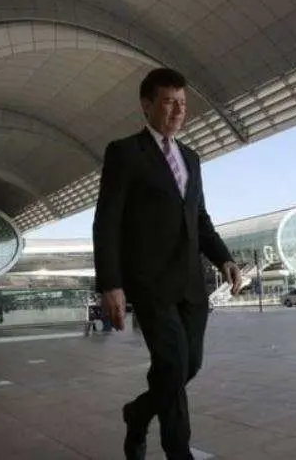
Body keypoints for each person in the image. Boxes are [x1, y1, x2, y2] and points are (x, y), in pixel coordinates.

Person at [93, 67, 241, 460]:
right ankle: (178, 450)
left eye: (182, 103)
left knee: (188, 366)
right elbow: (106, 221)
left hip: (194, 284)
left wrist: (223, 257)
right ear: (146, 104)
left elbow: (199, 218)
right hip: (151, 285)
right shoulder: (124, 153)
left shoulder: (190, 158)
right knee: (173, 365)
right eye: (168, 102)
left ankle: (138, 413)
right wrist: (111, 284)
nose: (177, 110)